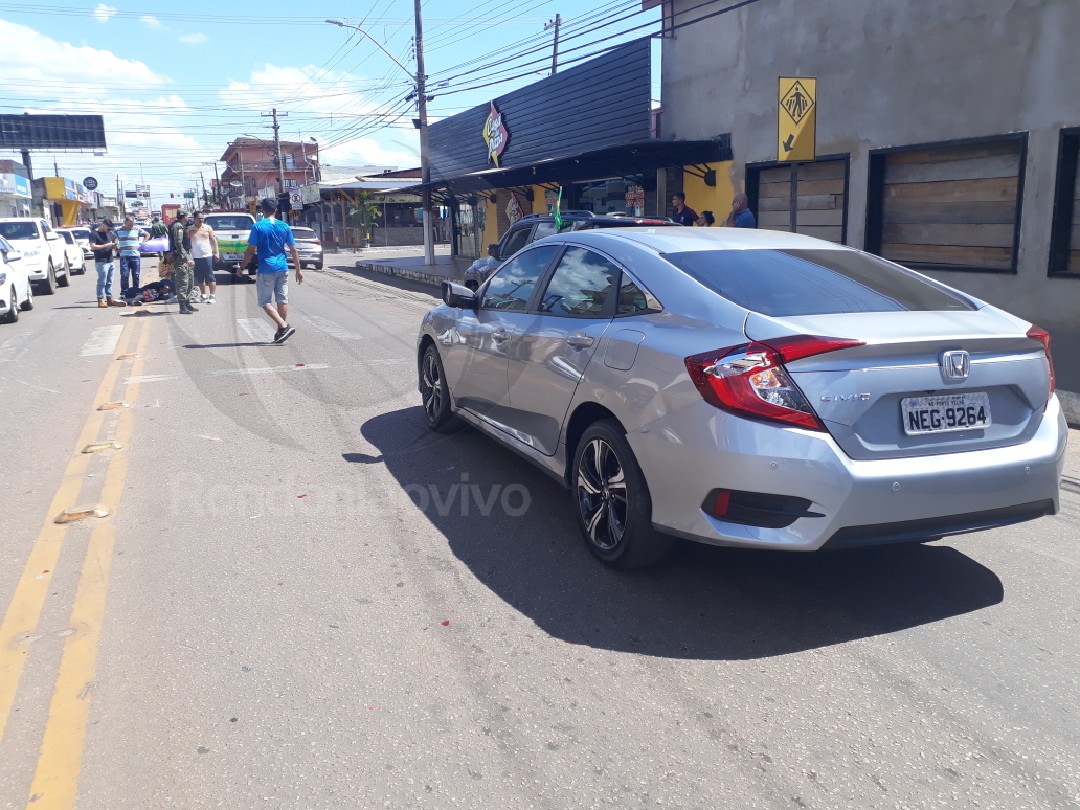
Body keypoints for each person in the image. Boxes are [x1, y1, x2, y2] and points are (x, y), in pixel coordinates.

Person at [237, 197, 302, 343]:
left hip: (266, 268)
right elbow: (293, 250)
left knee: (264, 301)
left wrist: (242, 267)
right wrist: (298, 270)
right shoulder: (284, 226)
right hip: (283, 267)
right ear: (276, 210)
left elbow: (250, 251)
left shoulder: (258, 227)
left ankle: (283, 325)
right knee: (282, 299)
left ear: (262, 210)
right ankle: (281, 332)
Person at [88, 219, 126, 308]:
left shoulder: (109, 233)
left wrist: (115, 247)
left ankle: (109, 298)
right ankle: (100, 299)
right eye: (108, 229)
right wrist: (106, 245)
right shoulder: (94, 234)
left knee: (109, 281)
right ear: (103, 225)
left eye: (110, 229)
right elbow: (92, 246)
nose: (109, 231)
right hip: (101, 261)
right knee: (102, 281)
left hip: (110, 260)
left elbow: (112, 242)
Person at [168, 210, 198, 314]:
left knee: (190, 280)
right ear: (184, 216)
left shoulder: (182, 225)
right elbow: (178, 243)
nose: (188, 218)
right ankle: (182, 306)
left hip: (186, 255)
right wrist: (186, 258)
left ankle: (187, 303)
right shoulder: (177, 226)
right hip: (181, 257)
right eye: (187, 216)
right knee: (183, 282)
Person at [187, 211, 220, 304]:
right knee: (200, 277)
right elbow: (187, 244)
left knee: (210, 276)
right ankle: (203, 295)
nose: (201, 220)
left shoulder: (208, 228)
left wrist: (217, 253)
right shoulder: (189, 229)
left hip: (207, 255)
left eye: (202, 218)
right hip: (195, 257)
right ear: (194, 219)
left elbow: (214, 241)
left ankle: (212, 296)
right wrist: (188, 257)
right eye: (199, 218)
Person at [115, 215, 148, 298]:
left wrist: (143, 243)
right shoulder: (118, 230)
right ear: (125, 223)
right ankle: (124, 293)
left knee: (136, 275)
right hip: (124, 256)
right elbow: (111, 237)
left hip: (135, 256)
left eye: (132, 224)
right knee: (124, 275)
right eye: (129, 224)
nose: (131, 226)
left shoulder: (137, 229)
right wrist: (115, 247)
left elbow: (147, 234)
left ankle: (135, 291)